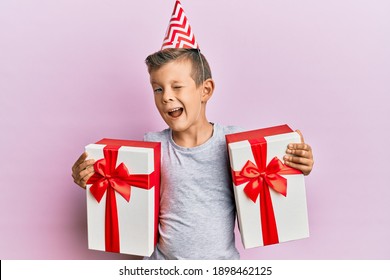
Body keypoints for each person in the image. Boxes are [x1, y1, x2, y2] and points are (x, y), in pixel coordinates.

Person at [72, 0, 314, 260]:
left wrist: (298, 165)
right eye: (158, 88)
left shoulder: (236, 143)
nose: (166, 97)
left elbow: (273, 182)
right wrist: (86, 176)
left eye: (177, 87)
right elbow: (120, 197)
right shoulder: (149, 148)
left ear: (205, 90)